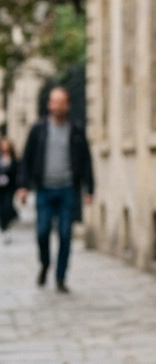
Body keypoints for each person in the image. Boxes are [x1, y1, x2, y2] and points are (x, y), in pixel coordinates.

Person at [18, 86, 94, 292]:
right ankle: (45, 263)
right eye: (54, 101)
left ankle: (60, 277)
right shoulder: (39, 129)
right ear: (49, 104)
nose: (58, 106)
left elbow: (86, 160)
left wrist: (90, 189)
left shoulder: (76, 129)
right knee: (42, 232)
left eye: (62, 102)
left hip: (68, 189)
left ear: (67, 105)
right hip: (44, 189)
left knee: (65, 235)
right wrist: (23, 186)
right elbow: (27, 158)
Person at [0, 136, 18, 238]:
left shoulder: (13, 158)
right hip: (0, 188)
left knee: (7, 206)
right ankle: (4, 225)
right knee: (1, 208)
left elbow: (16, 172)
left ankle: (7, 225)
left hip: (9, 188)